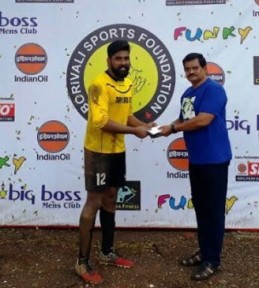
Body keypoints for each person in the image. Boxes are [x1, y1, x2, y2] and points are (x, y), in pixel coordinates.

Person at [75, 40, 155, 285]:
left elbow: (126, 115)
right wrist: (135, 132)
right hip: (98, 153)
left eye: (126, 58)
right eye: (118, 58)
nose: (123, 63)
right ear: (108, 60)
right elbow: (101, 122)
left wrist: (142, 126)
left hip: (117, 150)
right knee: (94, 202)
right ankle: (81, 262)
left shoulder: (128, 83)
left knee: (111, 199)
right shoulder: (98, 84)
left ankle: (107, 252)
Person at [160, 53, 232, 281]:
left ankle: (213, 260)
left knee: (213, 211)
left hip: (215, 159)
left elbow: (203, 120)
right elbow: (183, 120)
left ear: (204, 69)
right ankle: (205, 251)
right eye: (187, 69)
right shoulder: (187, 94)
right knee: (201, 208)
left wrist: (172, 128)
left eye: (195, 68)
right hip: (197, 160)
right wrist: (164, 127)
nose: (191, 72)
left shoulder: (214, 90)